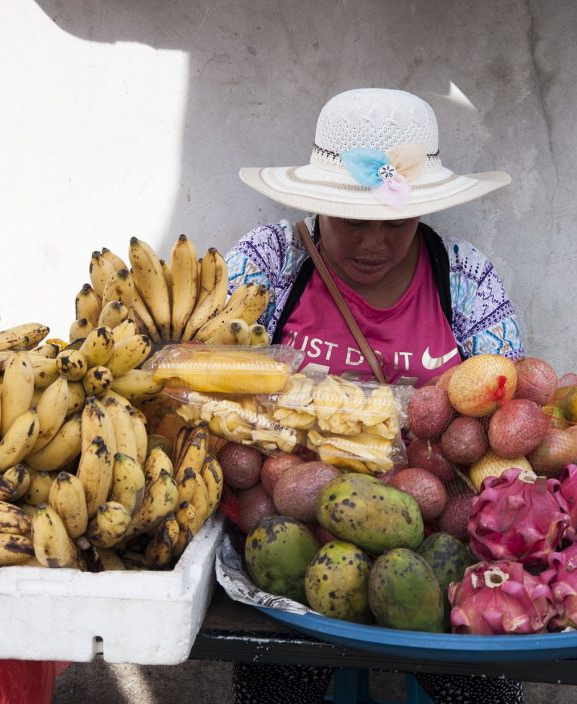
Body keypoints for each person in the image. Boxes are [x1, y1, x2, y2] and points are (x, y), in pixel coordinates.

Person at [225, 88, 524, 704]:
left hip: (439, 538)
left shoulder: (463, 277)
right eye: (351, 221)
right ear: (316, 207)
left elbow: (505, 410)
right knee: (277, 683)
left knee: (478, 686)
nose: (372, 244)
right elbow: (214, 375)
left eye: (393, 223)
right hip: (291, 537)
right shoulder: (270, 263)